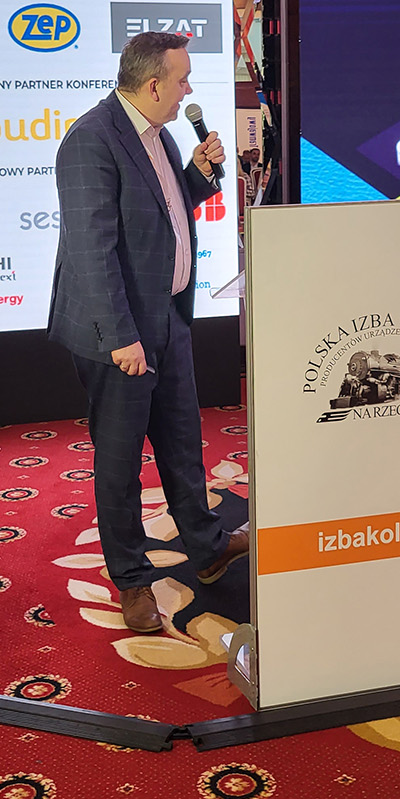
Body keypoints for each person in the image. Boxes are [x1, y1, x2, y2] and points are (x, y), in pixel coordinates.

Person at [48, 31, 248, 633]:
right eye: (182, 80)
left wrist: (198, 177)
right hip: (121, 333)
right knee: (120, 462)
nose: (189, 90)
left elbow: (159, 213)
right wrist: (121, 336)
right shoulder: (91, 139)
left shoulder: (158, 134)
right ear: (154, 84)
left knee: (183, 443)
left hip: (169, 318)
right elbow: (92, 249)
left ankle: (207, 549)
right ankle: (132, 579)